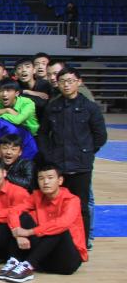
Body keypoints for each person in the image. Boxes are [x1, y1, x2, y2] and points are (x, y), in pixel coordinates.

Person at [37, 66, 106, 243]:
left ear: (79, 82)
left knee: (81, 206)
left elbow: (100, 136)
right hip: (58, 165)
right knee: (56, 204)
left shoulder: (90, 108)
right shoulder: (53, 107)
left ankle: (82, 242)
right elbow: (43, 133)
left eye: (70, 81)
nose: (66, 85)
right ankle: (60, 242)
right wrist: (49, 155)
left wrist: (86, 152)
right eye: (62, 81)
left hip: (81, 166)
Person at [1, 164, 87, 283]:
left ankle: (27, 266)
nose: (45, 182)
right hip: (44, 258)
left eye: (50, 178)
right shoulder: (37, 195)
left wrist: (29, 232)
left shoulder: (72, 200)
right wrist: (18, 233)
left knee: (58, 228)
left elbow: (62, 223)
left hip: (67, 261)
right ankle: (14, 261)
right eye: (41, 178)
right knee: (23, 217)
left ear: (60, 180)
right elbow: (13, 211)